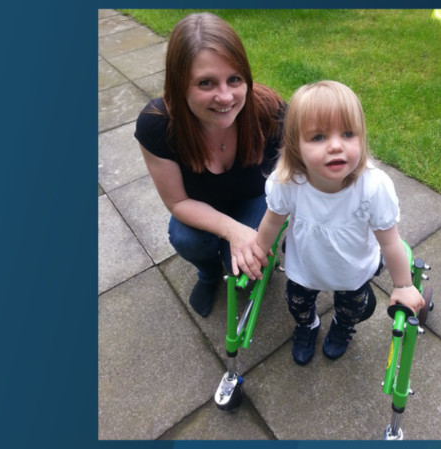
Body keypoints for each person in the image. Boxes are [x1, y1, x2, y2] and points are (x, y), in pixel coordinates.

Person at [253, 80, 425, 365]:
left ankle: (342, 327)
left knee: (352, 308)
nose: (335, 146)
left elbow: (391, 241)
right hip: (305, 267)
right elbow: (272, 222)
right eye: (318, 137)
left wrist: (404, 285)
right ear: (295, 145)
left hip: (352, 271)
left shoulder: (372, 187)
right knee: (297, 304)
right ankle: (307, 326)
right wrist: (259, 250)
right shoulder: (287, 183)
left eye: (348, 134)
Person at [134, 12, 286, 317]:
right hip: (198, 207)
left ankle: (234, 262)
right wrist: (233, 231)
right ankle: (208, 274)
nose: (226, 96)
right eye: (206, 83)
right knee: (186, 238)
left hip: (256, 201)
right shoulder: (157, 126)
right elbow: (177, 201)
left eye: (235, 79)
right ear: (179, 85)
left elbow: (299, 174)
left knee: (244, 267)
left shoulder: (270, 112)